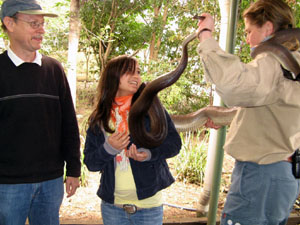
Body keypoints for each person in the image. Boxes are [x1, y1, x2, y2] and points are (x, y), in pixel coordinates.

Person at [196, 0, 300, 224]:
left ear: (268, 29)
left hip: (260, 176)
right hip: (283, 175)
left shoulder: (275, 61)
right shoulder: (294, 66)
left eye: (249, 31)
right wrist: (227, 118)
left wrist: (206, 36)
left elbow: (235, 85)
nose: (247, 38)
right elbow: (275, 111)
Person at [0, 0, 81, 224]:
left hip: (51, 181)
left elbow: (68, 124)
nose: (41, 30)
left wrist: (73, 168)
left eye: (42, 24)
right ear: (10, 23)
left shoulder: (54, 69)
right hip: (7, 184)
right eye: (34, 23)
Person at [83, 55, 182, 225]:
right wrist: (109, 148)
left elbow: (174, 144)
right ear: (113, 76)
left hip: (149, 208)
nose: (136, 76)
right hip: (112, 208)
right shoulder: (100, 118)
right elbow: (91, 163)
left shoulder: (152, 109)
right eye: (130, 71)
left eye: (138, 72)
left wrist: (149, 154)